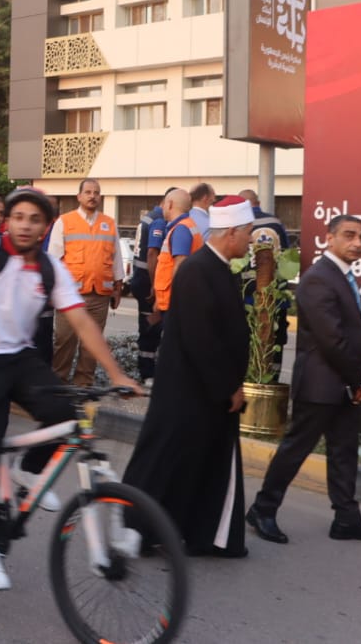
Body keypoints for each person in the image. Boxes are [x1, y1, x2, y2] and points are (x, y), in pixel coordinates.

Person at [0, 152, 138, 591]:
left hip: (17, 357)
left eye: (35, 219)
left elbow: (83, 321)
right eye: (17, 217)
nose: (25, 225)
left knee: (66, 414)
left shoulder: (51, 269)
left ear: (46, 226)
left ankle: (29, 470)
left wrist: (117, 375)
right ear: (7, 221)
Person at [121, 196, 255, 558]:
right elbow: (201, 338)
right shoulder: (197, 270)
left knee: (201, 462)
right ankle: (138, 529)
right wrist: (228, 386)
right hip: (187, 390)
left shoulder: (219, 268)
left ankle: (200, 534)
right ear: (231, 232)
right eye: (248, 232)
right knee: (165, 461)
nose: (251, 240)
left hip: (204, 390)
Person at [247, 215, 361, 545]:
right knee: (295, 450)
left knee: (344, 452)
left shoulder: (341, 276)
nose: (358, 243)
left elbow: (349, 333)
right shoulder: (318, 278)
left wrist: (360, 371)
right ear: (329, 238)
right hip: (320, 384)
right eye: (349, 235)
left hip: (343, 383)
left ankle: (346, 519)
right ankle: (263, 509)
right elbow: (331, 340)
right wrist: (360, 378)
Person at [48, 178, 123, 386]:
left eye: (96, 193)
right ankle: (59, 384)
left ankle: (83, 385)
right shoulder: (65, 222)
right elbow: (53, 260)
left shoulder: (109, 224)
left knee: (92, 345)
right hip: (70, 296)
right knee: (64, 341)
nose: (92, 196)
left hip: (100, 295)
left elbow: (116, 258)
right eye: (88, 192)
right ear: (79, 196)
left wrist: (118, 287)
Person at [131, 189, 175, 385]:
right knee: (151, 328)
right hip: (148, 282)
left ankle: (148, 371)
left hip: (141, 279)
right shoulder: (159, 220)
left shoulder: (150, 217)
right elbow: (152, 254)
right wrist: (156, 285)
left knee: (150, 326)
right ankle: (147, 373)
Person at [152, 188, 200, 326]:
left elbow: (180, 265)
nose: (162, 207)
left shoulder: (181, 229)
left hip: (174, 303)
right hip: (177, 301)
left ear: (170, 204)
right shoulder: (185, 226)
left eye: (164, 203)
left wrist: (174, 299)